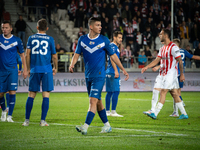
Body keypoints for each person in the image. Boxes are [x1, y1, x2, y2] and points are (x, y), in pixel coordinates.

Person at [69, 17, 129, 135]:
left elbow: (113, 56)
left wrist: (123, 69)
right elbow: (76, 54)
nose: (100, 27)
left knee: (92, 101)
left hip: (100, 75)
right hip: (88, 76)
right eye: (97, 25)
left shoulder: (104, 40)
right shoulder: (82, 39)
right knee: (98, 102)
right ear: (91, 26)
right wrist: (72, 65)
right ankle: (107, 126)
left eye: (100, 25)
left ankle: (85, 127)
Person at [141, 29, 188, 120]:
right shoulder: (162, 48)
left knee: (163, 91)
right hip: (162, 74)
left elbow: (180, 61)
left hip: (171, 74)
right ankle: (184, 114)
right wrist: (147, 67)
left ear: (165, 36)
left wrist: (181, 74)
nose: (159, 35)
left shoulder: (173, 47)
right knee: (174, 93)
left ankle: (155, 113)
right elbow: (157, 60)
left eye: (161, 34)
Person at [22, 19, 58, 126]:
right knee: (46, 95)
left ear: (37, 27)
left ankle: (26, 121)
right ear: (47, 28)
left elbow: (27, 54)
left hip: (35, 69)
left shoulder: (31, 38)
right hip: (46, 70)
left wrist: (28, 69)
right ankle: (42, 121)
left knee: (31, 95)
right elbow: (54, 56)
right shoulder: (50, 39)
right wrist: (55, 67)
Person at [0, 20, 27, 122]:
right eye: (3, 28)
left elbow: (22, 55)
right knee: (1, 94)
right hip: (1, 70)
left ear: (11, 29)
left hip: (13, 69)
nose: (4, 30)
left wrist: (25, 69)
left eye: (6, 28)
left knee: (12, 92)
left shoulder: (17, 40)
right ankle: (3, 110)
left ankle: (10, 116)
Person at [170, 39, 200, 117]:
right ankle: (176, 111)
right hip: (181, 73)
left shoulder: (173, 52)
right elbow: (193, 56)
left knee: (174, 92)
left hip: (175, 74)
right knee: (177, 92)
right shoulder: (183, 51)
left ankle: (177, 111)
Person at [105, 31, 123, 117]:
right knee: (116, 91)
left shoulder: (113, 46)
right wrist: (116, 70)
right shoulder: (113, 46)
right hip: (112, 72)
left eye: (121, 38)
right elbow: (112, 59)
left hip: (109, 71)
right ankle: (113, 112)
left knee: (109, 92)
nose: (121, 39)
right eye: (119, 37)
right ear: (114, 37)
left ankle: (107, 111)